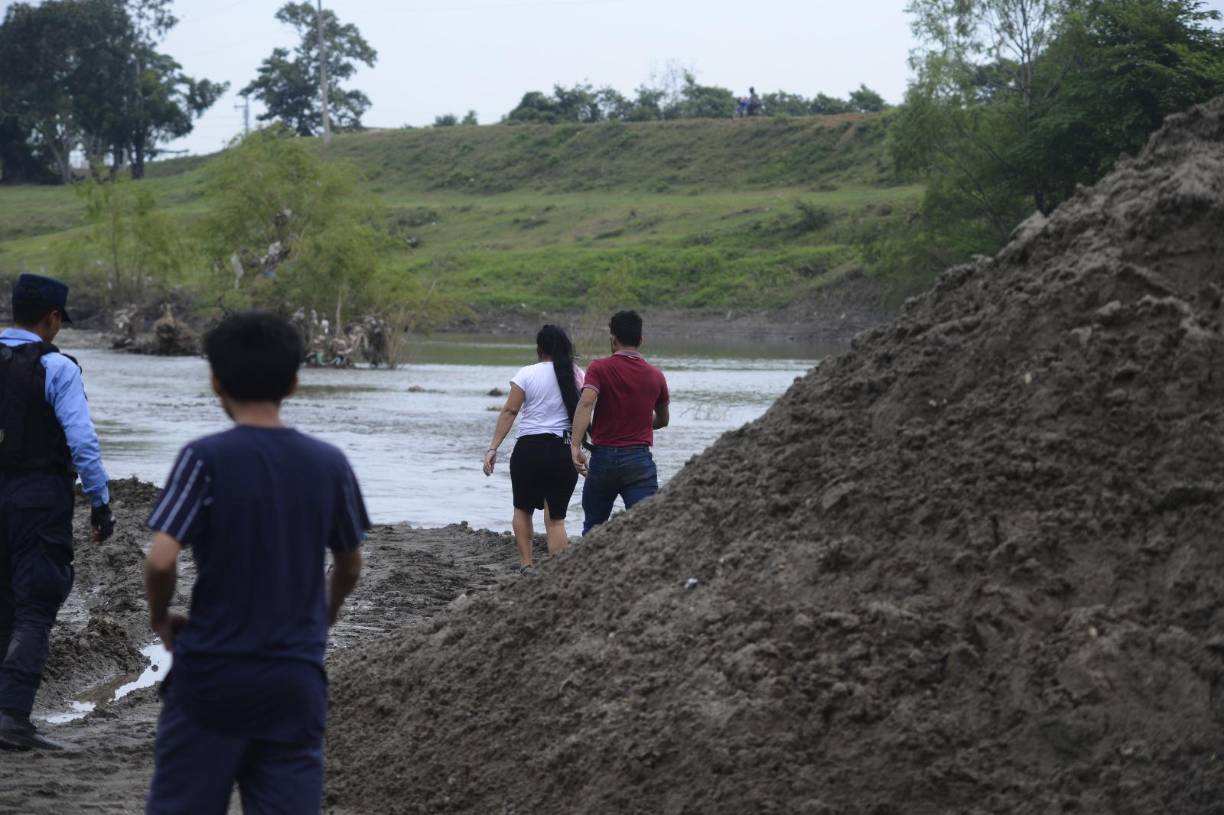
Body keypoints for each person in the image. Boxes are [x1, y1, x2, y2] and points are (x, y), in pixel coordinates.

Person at [143, 312, 368, 814]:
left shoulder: (203, 458)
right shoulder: (329, 463)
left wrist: (162, 619)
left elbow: (160, 560)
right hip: (293, 679)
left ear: (215, 379)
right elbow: (350, 564)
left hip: (211, 677)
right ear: (293, 381)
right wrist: (325, 614)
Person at [0, 273, 113, 752]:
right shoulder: (57, 368)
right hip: (38, 498)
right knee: (35, 607)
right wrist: (100, 502)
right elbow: (82, 441)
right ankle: (10, 719)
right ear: (51, 319)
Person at [483, 325, 584, 572]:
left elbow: (510, 411)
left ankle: (527, 566)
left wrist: (493, 448)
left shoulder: (527, 373)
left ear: (539, 349)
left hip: (529, 449)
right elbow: (586, 412)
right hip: (562, 449)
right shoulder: (578, 374)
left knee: (523, 508)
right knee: (556, 519)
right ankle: (556, 573)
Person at [570, 311, 669, 534]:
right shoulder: (656, 376)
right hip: (639, 461)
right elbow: (663, 420)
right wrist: (642, 421)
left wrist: (575, 446)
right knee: (645, 528)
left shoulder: (599, 368)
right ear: (641, 340)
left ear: (612, 339)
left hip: (603, 459)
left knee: (593, 526)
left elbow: (586, 404)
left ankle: (589, 567)